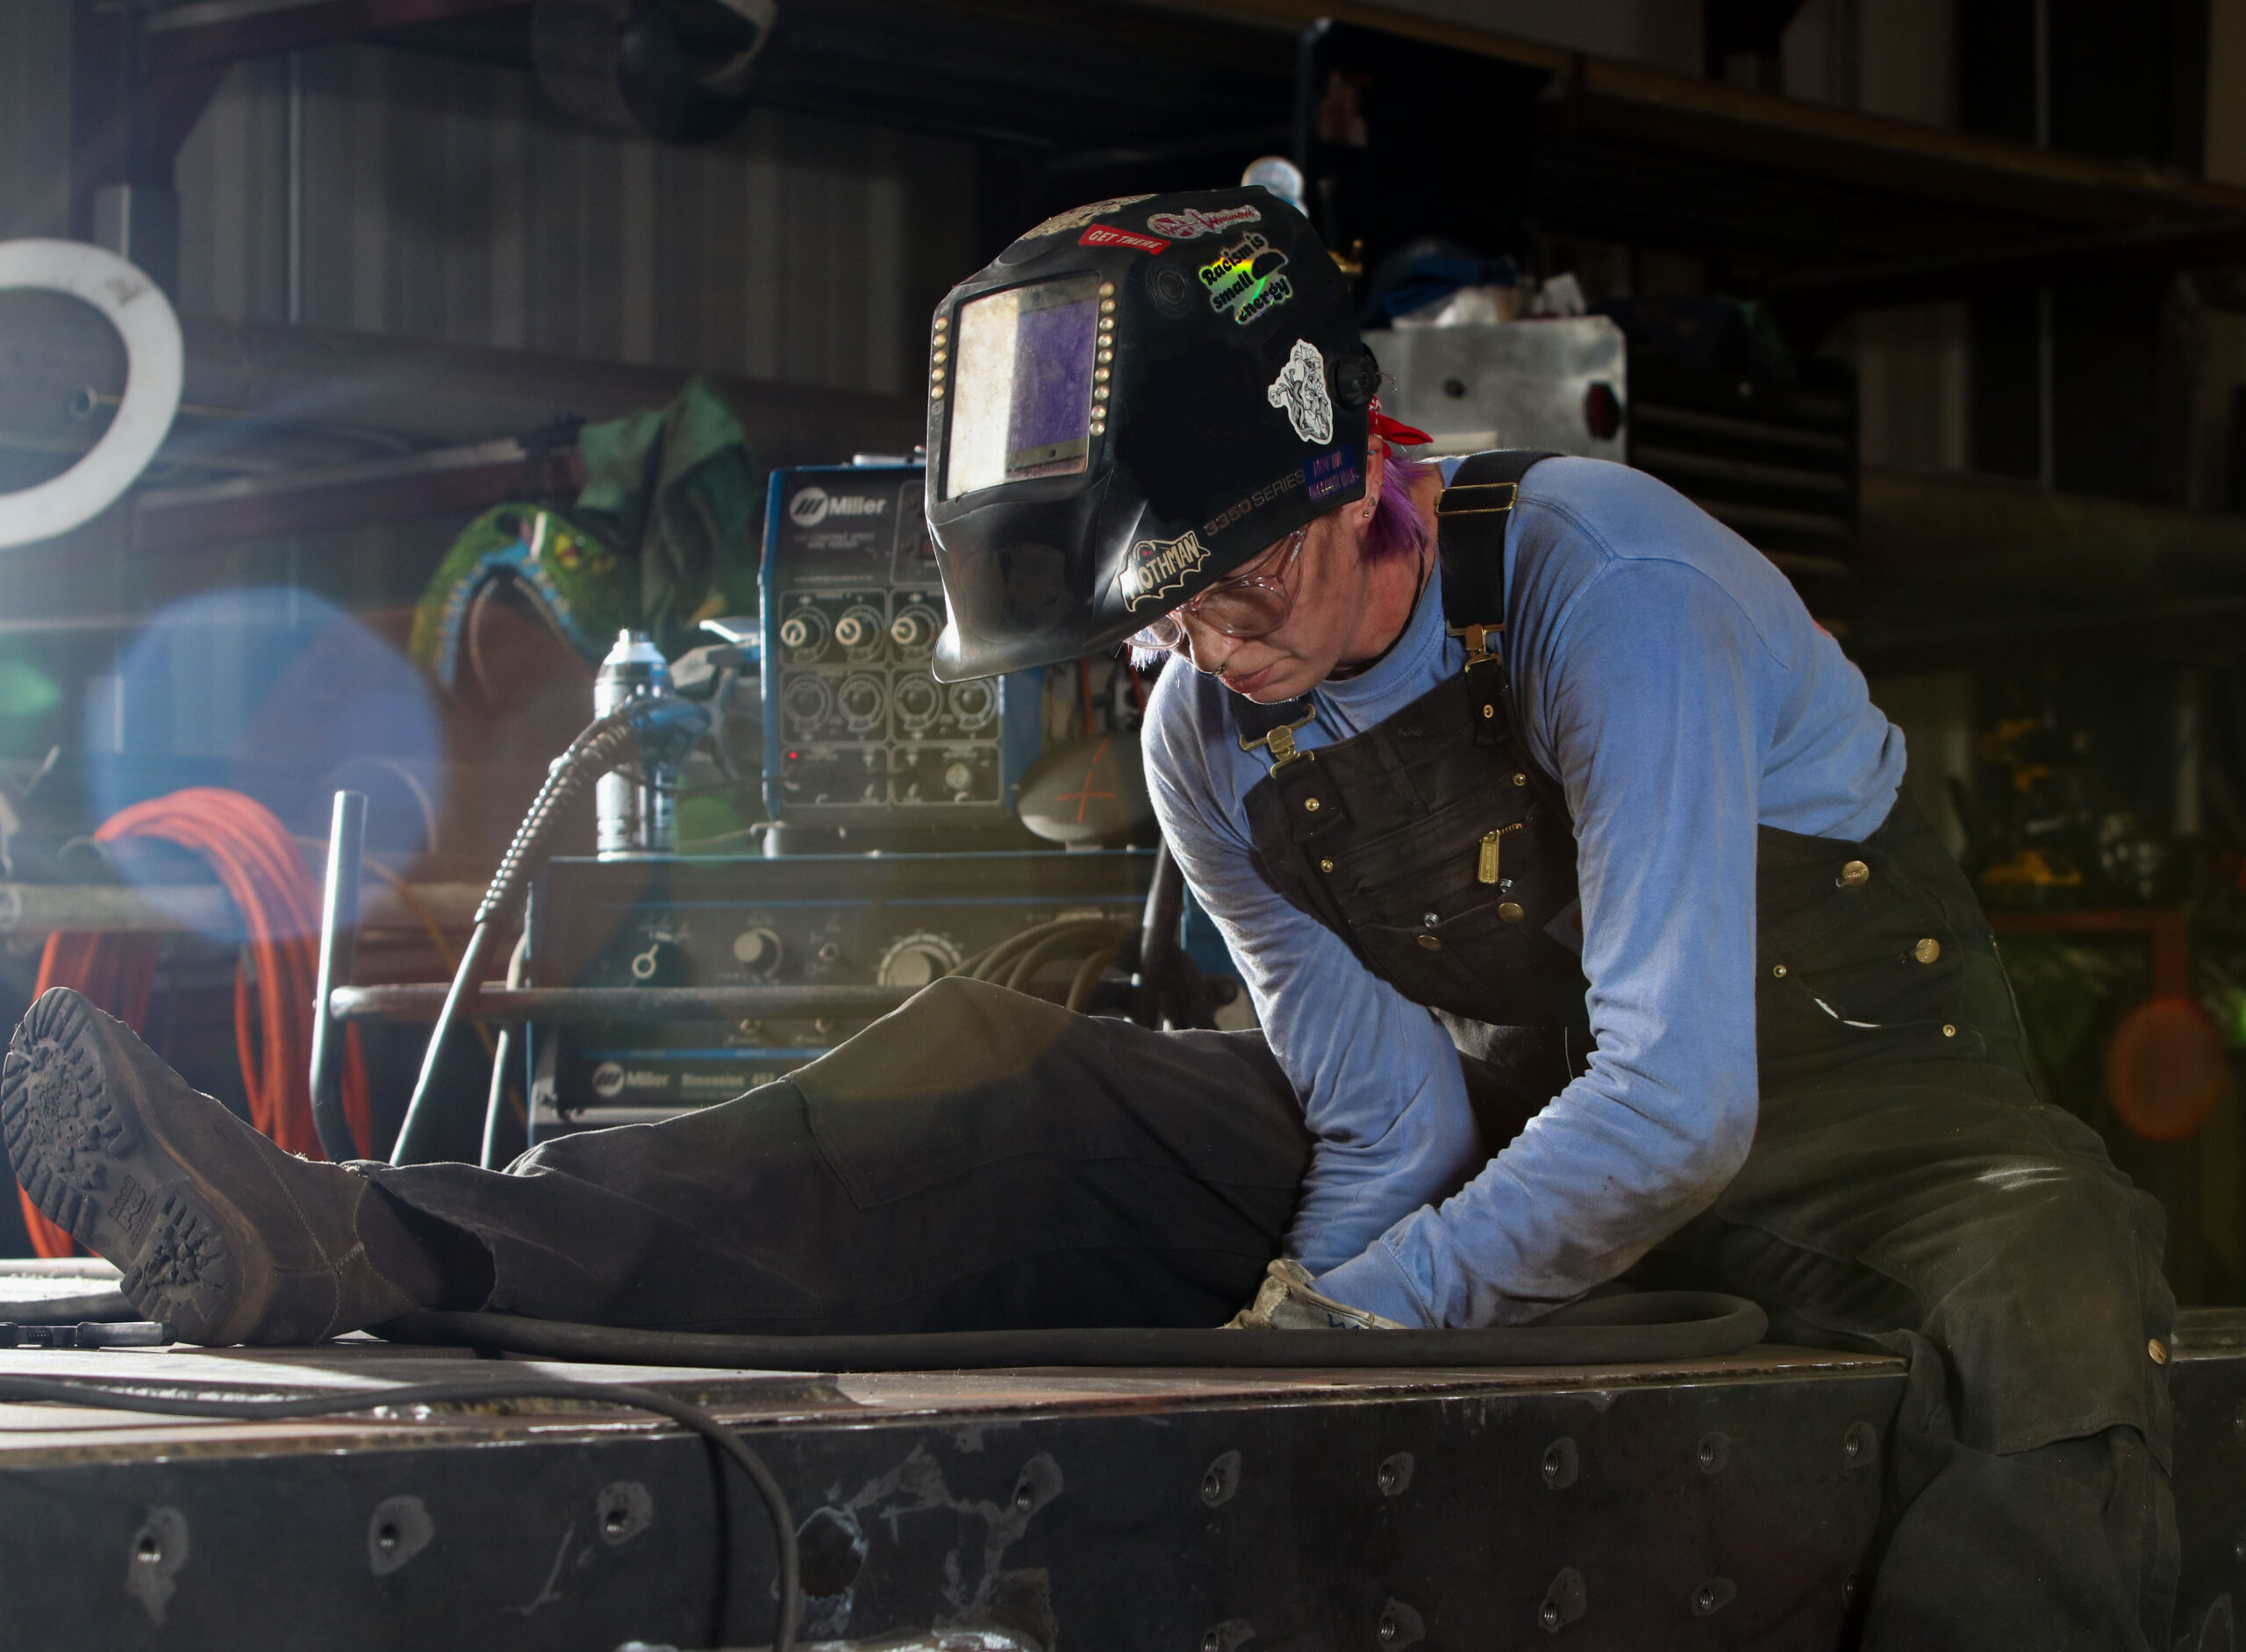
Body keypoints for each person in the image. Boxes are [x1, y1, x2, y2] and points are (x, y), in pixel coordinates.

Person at [4, 188, 2173, 1648]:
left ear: (1345, 471)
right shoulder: (1199, 734)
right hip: (1517, 1117)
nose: (1215, 650)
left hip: (1853, 1121)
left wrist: (1347, 1335)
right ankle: (374, 1235)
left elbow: (1680, 1097)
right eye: (1167, 621)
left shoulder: (1605, 583)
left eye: (1238, 584)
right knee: (1020, 1079)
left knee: (2051, 1307)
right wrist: (1308, 1315)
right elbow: (1392, 1115)